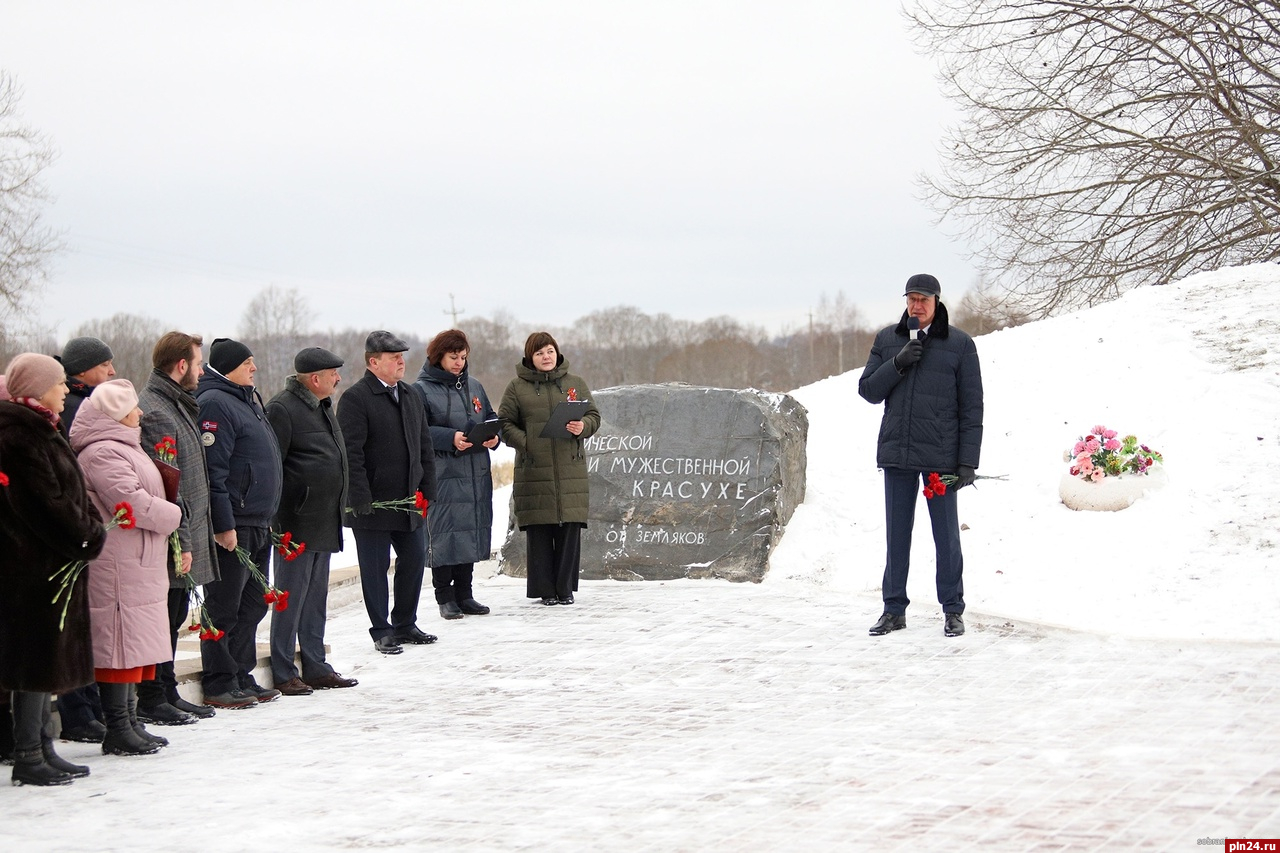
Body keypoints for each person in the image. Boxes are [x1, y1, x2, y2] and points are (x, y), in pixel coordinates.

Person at [857, 274, 984, 638]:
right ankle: (893, 609)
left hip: (941, 459)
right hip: (898, 452)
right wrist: (897, 363)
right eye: (911, 298)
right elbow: (868, 391)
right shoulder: (888, 339)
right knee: (897, 535)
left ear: (937, 301)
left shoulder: (959, 344)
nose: (917, 305)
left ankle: (953, 610)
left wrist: (967, 462)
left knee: (946, 536)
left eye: (923, 299)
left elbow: (971, 407)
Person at [0, 353, 106, 785]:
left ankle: (43, 746)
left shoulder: (41, 427)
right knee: (34, 660)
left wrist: (87, 527)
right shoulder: (17, 435)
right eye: (59, 382)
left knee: (46, 660)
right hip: (30, 568)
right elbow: (44, 504)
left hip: (50, 564)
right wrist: (89, 534)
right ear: (36, 387)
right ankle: (28, 754)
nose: (66, 389)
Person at [70, 379, 182, 756]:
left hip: (137, 560)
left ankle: (130, 719)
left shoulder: (123, 447)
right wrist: (173, 515)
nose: (140, 413)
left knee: (133, 644)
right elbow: (129, 501)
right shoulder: (102, 453)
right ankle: (117, 726)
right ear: (116, 414)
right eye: (133, 408)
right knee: (119, 644)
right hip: (118, 564)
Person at [136, 332, 220, 724]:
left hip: (186, 532)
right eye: (198, 363)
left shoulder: (175, 403)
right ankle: (154, 697)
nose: (202, 371)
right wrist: (182, 539)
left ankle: (166, 691)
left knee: (174, 614)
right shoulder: (156, 411)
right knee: (165, 617)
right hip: (171, 538)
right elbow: (167, 486)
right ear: (181, 365)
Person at [337, 331, 439, 655]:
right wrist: (359, 496)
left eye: (402, 356)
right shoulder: (356, 399)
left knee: (413, 559)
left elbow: (424, 446)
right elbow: (350, 454)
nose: (400, 362)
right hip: (373, 502)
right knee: (375, 567)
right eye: (393, 357)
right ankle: (381, 629)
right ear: (373, 361)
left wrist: (428, 488)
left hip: (408, 500)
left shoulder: (410, 395)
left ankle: (405, 622)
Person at [264, 347, 359, 695]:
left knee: (316, 598)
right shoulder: (282, 409)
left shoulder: (322, 405)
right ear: (315, 378)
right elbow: (274, 467)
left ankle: (316, 666)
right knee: (289, 598)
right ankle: (283, 670)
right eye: (333, 373)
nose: (338, 378)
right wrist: (279, 518)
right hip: (295, 522)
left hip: (324, 517)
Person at [196, 338, 283, 707]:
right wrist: (223, 524)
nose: (254, 368)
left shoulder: (246, 398)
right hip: (235, 523)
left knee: (252, 605)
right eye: (248, 362)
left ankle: (240, 673)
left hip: (258, 521)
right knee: (224, 606)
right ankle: (218, 681)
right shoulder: (215, 402)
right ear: (229, 366)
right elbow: (214, 471)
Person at [499, 332, 601, 606]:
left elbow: (593, 415)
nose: (546, 357)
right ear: (530, 357)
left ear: (557, 353)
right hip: (534, 468)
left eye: (550, 351)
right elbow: (505, 423)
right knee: (540, 530)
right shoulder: (516, 387)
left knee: (569, 528)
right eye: (539, 353)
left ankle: (565, 588)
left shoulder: (575, 383)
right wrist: (527, 442)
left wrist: (584, 427)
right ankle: (545, 590)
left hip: (570, 468)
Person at [52, 335, 115, 743]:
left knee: (84, 627)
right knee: (72, 629)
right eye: (105, 365)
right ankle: (79, 712)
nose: (112, 372)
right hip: (70, 533)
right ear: (84, 369)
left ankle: (91, 708)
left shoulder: (84, 404)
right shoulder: (75, 411)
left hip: (85, 529)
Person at [413, 329, 500, 620]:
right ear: (439, 356)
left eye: (463, 357)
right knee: (444, 532)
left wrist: (493, 437)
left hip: (475, 471)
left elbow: (489, 416)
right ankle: (444, 596)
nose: (459, 362)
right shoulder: (421, 390)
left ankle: (465, 593)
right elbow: (418, 431)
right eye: (453, 357)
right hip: (443, 473)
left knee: (469, 531)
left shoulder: (474, 386)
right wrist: (449, 437)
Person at [58, 335, 116, 429]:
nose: (112, 371)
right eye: (105, 365)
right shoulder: (72, 408)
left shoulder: (88, 401)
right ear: (81, 369)